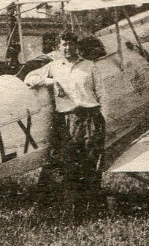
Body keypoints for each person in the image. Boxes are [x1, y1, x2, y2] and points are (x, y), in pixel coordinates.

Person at [25, 30, 105, 217]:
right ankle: (71, 207)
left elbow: (102, 94)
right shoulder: (54, 66)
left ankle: (89, 207)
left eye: (71, 44)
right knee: (68, 162)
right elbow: (30, 78)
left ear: (76, 45)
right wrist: (51, 82)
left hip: (90, 116)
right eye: (64, 45)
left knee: (90, 161)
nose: (68, 48)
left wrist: (103, 118)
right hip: (67, 119)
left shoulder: (89, 66)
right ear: (59, 47)